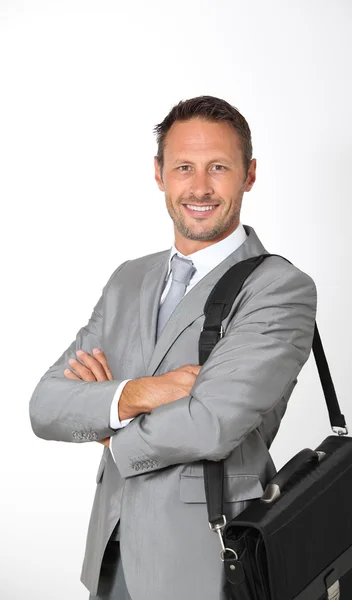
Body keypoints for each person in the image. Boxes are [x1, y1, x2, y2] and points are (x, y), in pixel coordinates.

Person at [29, 95, 318, 600]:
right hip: (111, 554)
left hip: (209, 560)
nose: (200, 187)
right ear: (159, 174)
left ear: (249, 174)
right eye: (184, 167)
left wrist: (109, 427)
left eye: (219, 167)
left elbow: (211, 424)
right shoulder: (128, 279)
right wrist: (143, 392)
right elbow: (46, 405)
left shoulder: (279, 288)